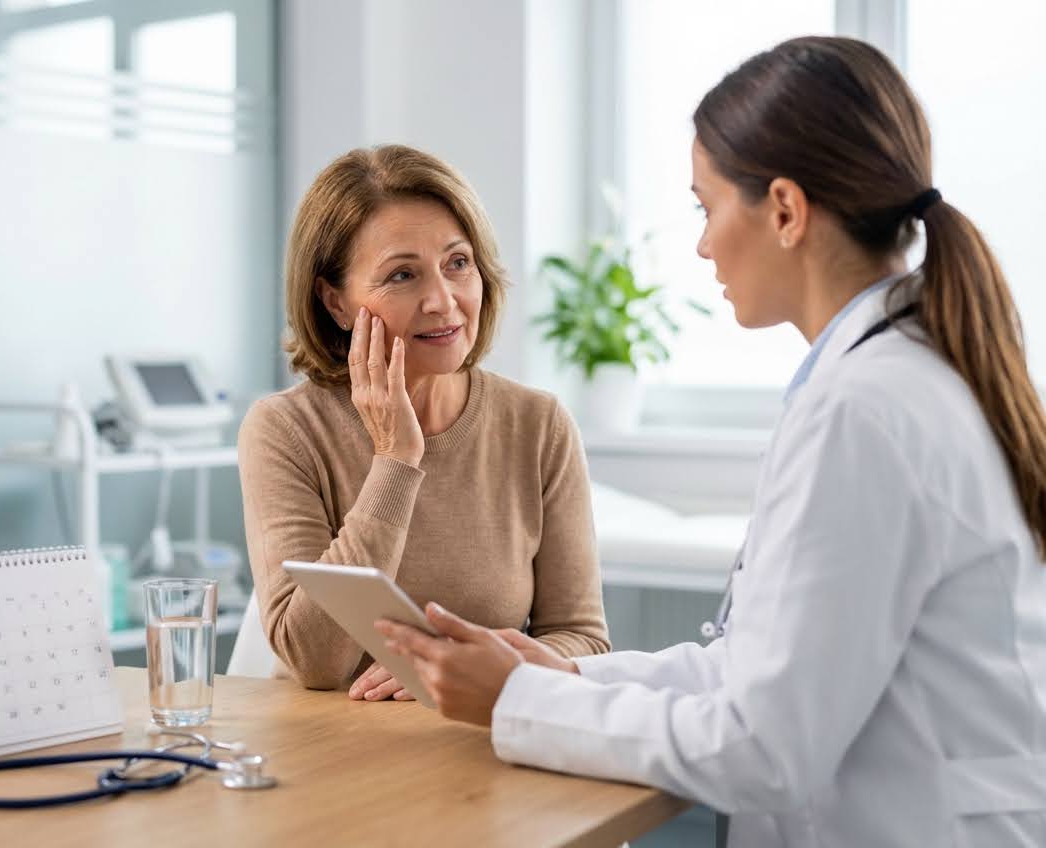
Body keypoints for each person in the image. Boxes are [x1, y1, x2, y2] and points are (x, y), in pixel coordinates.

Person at [378, 36, 1046, 846]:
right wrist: (559, 672)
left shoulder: (865, 410)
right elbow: (757, 667)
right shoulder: (900, 376)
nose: (701, 244)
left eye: (706, 207)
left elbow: (762, 746)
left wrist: (514, 701)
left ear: (787, 211)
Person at [238, 144, 610, 699]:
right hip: (329, 755)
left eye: (458, 264)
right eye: (403, 275)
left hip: (480, 745)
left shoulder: (539, 424)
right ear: (335, 302)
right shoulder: (285, 430)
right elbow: (315, 660)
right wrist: (394, 460)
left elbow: (582, 640)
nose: (443, 300)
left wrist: (476, 665)